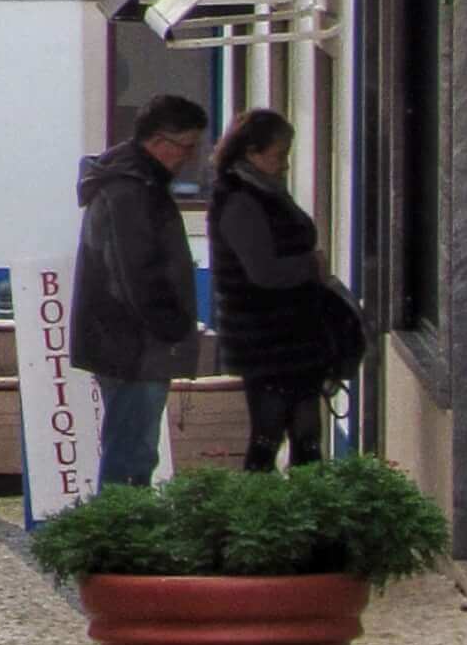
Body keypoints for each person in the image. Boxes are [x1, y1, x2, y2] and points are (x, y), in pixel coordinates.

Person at [69, 94, 208, 489]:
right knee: (131, 454)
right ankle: (121, 525)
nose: (190, 157)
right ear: (160, 142)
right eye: (187, 146)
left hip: (128, 343)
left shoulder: (133, 183)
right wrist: (173, 326)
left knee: (133, 449)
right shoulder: (130, 190)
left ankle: (123, 520)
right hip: (134, 347)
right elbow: (136, 275)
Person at [207, 107, 338, 470]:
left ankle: (302, 500)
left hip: (290, 337)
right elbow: (262, 271)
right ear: (252, 153)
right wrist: (311, 265)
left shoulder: (263, 192)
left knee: (304, 433)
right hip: (267, 340)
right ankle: (264, 501)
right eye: (279, 155)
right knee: (270, 433)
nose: (285, 164)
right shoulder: (241, 200)